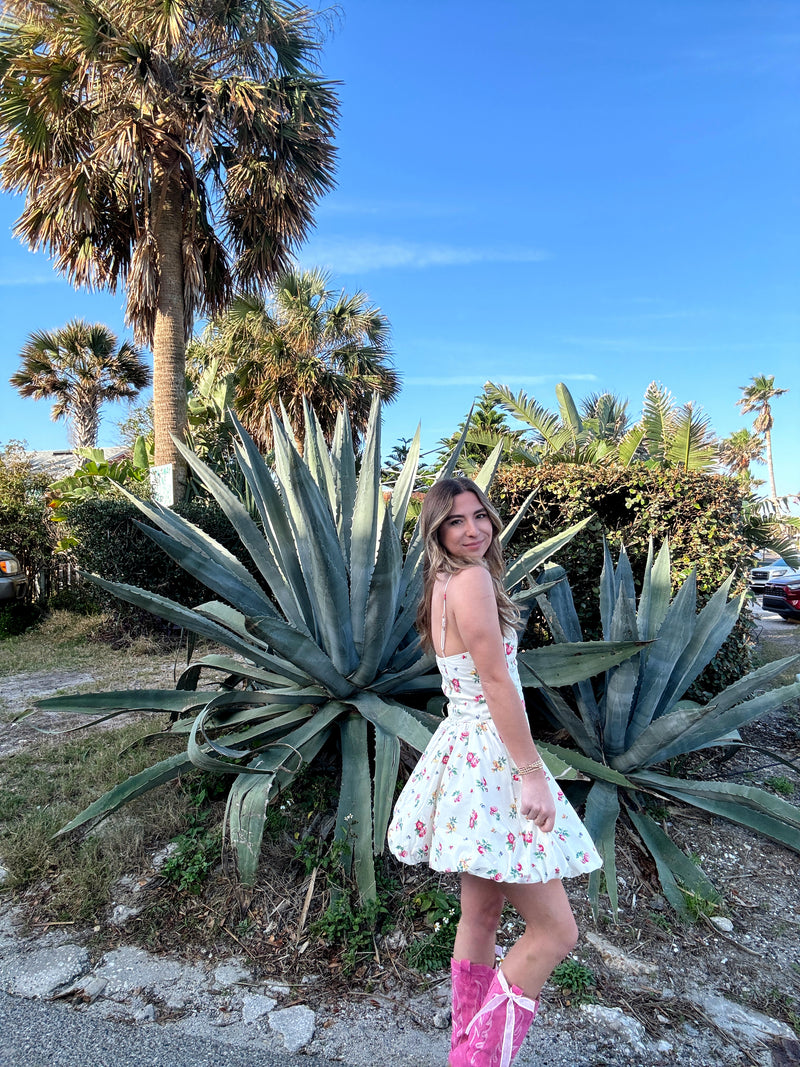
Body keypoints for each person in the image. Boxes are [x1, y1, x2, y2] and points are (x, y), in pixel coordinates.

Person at [387, 477, 602, 1067]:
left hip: (463, 753)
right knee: (557, 933)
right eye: (456, 521)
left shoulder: (443, 580)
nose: (474, 530)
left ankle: (465, 1048)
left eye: (480, 516)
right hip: (492, 760)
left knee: (480, 914)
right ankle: (475, 1060)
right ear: (437, 530)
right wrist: (531, 772)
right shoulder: (473, 579)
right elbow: (496, 681)